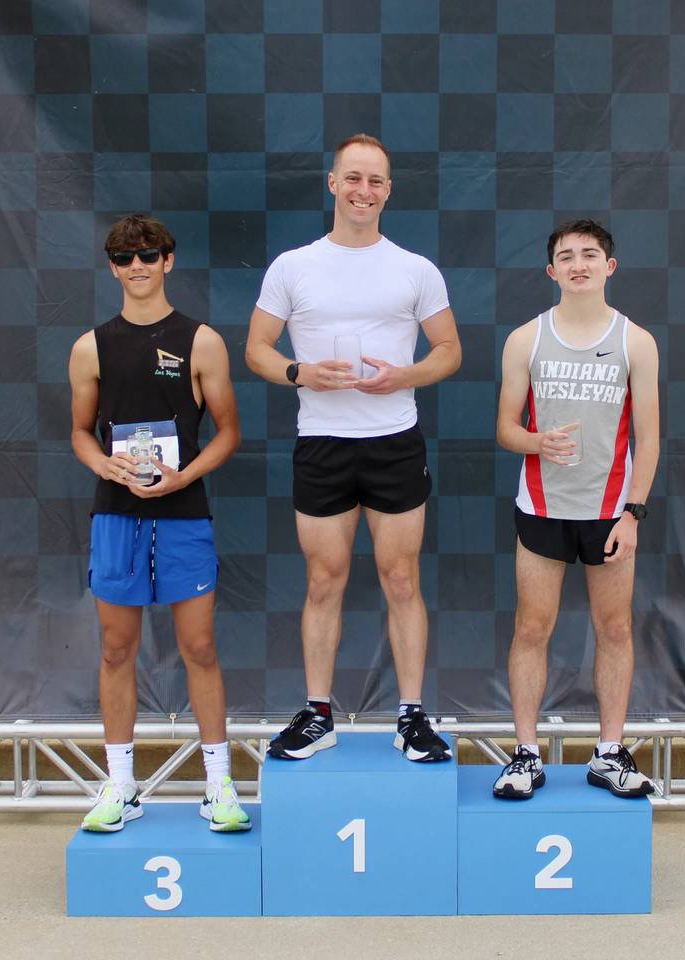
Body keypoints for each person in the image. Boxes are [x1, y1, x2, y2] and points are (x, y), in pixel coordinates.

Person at [245, 134, 462, 762]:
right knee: (322, 581)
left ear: (388, 191)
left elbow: (449, 351)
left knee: (401, 578)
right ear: (333, 183)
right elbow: (257, 348)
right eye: (354, 178)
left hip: (394, 441)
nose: (364, 191)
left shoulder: (415, 268)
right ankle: (318, 714)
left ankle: (412, 715)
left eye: (376, 181)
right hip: (322, 443)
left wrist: (404, 375)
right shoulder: (293, 266)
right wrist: (297, 373)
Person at [69, 214, 249, 832]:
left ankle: (218, 785)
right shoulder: (90, 346)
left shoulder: (201, 340)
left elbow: (228, 431)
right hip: (116, 515)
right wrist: (106, 466)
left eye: (149, 254)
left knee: (199, 646)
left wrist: (184, 475)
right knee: (118, 649)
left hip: (181, 512)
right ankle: (121, 786)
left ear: (169, 260)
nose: (137, 266)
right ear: (112, 267)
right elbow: (79, 431)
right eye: (124, 257)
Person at [491, 219, 661, 800]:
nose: (578, 264)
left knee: (613, 628)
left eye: (590, 255)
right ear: (551, 271)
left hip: (610, 511)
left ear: (609, 267)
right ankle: (524, 754)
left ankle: (609, 753)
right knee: (531, 627)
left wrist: (633, 513)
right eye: (566, 256)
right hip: (541, 508)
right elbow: (505, 429)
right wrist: (535, 442)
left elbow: (650, 437)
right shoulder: (526, 339)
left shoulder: (636, 340)